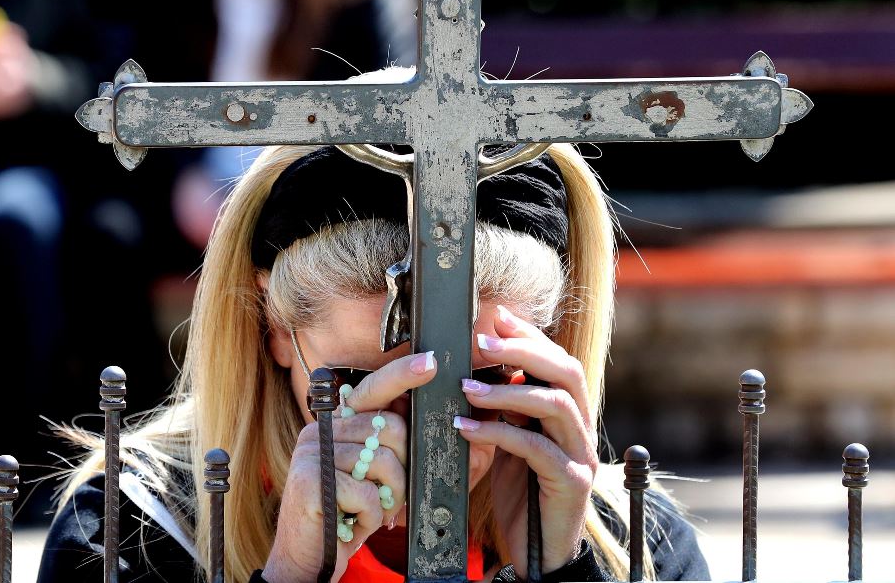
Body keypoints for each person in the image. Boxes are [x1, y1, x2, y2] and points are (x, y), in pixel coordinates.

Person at [36, 67, 710, 582]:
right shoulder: (137, 529)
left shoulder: (636, 541)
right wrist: (291, 573)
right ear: (272, 328)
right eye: (361, 382)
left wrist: (561, 568)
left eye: (478, 383)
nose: (422, 434)